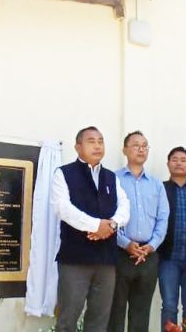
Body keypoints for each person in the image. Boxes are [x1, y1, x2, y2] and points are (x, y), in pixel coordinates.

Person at [51, 126, 130, 332]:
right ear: (78, 147)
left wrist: (111, 224)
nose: (97, 145)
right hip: (75, 259)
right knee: (67, 319)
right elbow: (63, 208)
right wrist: (96, 225)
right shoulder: (64, 173)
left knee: (98, 321)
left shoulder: (111, 177)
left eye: (101, 141)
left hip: (106, 261)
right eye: (91, 141)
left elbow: (125, 207)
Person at [109, 131, 169, 332]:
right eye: (136, 145)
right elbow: (108, 218)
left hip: (148, 256)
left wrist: (151, 245)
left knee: (141, 312)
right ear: (125, 150)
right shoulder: (112, 179)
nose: (141, 149)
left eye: (145, 145)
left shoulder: (156, 184)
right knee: (115, 311)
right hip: (120, 253)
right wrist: (126, 244)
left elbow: (163, 219)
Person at [159, 147, 186, 332]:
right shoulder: (160, 189)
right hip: (168, 259)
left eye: (183, 159)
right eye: (174, 159)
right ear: (168, 164)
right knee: (169, 305)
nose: (179, 163)